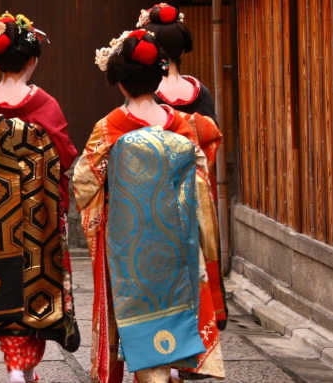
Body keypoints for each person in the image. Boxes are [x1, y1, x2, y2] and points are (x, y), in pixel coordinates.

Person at [73, 29, 225, 383]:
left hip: (130, 249)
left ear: (120, 83)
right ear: (158, 78)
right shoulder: (183, 125)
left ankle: (150, 370)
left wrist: (109, 211)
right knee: (176, 310)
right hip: (178, 245)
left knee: (135, 316)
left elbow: (84, 183)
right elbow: (201, 182)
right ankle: (173, 366)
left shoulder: (110, 128)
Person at [0, 12, 79, 383]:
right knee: (34, 287)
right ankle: (22, 369)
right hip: (39, 217)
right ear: (32, 60)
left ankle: (14, 367)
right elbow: (66, 155)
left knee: (1, 289)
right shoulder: (45, 105)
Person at [141, 2, 229, 331]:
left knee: (160, 268)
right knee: (196, 263)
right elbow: (212, 140)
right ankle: (199, 327)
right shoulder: (199, 92)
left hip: (154, 192)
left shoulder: (146, 96)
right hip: (194, 189)